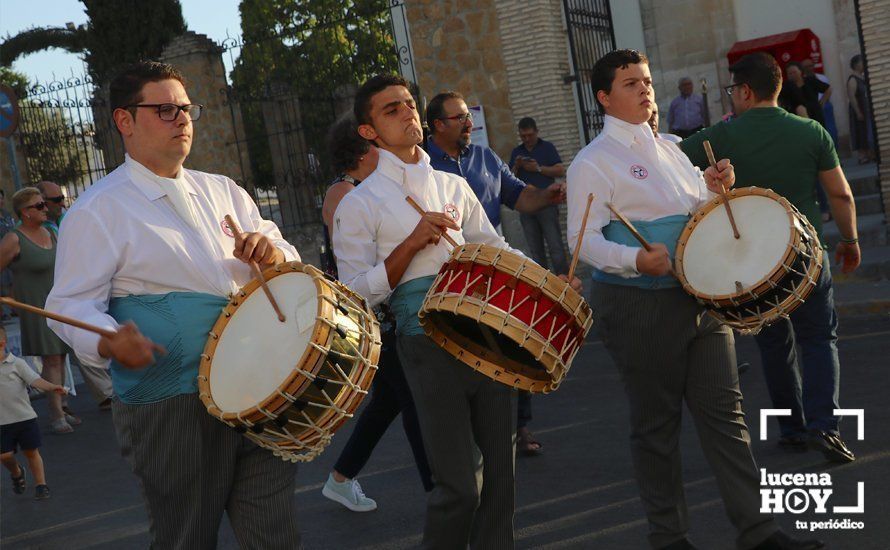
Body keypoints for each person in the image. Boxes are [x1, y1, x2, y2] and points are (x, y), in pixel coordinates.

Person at [567, 49, 823, 550]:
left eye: (646, 80)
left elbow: (693, 215)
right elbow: (584, 242)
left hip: (700, 300)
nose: (644, 89)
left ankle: (758, 531)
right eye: (629, 83)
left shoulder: (672, 146)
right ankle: (668, 538)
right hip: (638, 305)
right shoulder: (591, 162)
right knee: (656, 426)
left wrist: (711, 189)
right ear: (604, 97)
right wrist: (634, 260)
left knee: (727, 417)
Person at [45, 61, 302, 549]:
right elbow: (71, 302)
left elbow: (284, 252)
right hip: (172, 402)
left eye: (186, 108)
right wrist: (107, 338)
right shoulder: (97, 209)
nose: (182, 119)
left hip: (259, 387)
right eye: (165, 109)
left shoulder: (225, 190)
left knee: (276, 535)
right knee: (186, 537)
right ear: (125, 121)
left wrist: (272, 254)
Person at [333, 74, 580, 549]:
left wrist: (550, 284)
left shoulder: (453, 184)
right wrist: (410, 244)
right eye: (391, 110)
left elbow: (496, 248)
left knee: (502, 483)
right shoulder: (359, 203)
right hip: (425, 343)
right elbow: (354, 293)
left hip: (487, 330)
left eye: (408, 104)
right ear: (368, 132)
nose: (407, 113)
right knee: (461, 487)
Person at [681, 52, 860, 465]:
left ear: (745, 91)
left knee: (775, 344)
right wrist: (849, 240)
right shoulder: (811, 131)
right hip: (807, 255)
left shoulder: (721, 136)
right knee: (818, 339)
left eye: (732, 90)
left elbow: (670, 160)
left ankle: (793, 430)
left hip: (754, 267)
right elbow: (841, 194)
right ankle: (824, 427)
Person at [426, 91, 566, 456]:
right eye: (459, 118)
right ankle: (474, 438)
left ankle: (519, 427)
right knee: (467, 354)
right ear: (438, 125)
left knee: (512, 344)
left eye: (468, 116)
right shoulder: (422, 165)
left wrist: (549, 195)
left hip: (494, 267)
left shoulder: (486, 157)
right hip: (449, 277)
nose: (468, 123)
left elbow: (521, 197)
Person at [319, 114, 433, 512]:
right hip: (372, 317)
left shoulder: (363, 190)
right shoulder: (345, 194)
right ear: (365, 150)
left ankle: (341, 477)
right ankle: (437, 489)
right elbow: (355, 259)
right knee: (413, 400)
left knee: (389, 400)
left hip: (382, 315)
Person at [0, 188, 75, 435]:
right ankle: (56, 415)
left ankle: (62, 406)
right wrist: (7, 299)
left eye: (44, 204)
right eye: (39, 205)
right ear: (25, 212)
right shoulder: (14, 239)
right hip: (35, 307)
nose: (45, 208)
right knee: (51, 358)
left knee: (61, 356)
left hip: (58, 303)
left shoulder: (51, 232)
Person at [37, 180, 115, 411]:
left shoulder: (63, 223)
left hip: (75, 294)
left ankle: (104, 395)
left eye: (61, 198)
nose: (61, 204)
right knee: (54, 358)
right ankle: (59, 409)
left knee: (82, 345)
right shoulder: (20, 235)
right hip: (43, 297)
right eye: (54, 201)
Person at [1, 325, 68, 500]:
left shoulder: (17, 364)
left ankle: (41, 484)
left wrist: (53, 386)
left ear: (3, 342)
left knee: (31, 451)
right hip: (2, 423)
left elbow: (35, 380)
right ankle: (16, 472)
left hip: (24, 418)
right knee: (5, 456)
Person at [508, 117, 569, 276]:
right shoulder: (517, 151)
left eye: (530, 135)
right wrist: (517, 166)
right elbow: (509, 179)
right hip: (526, 207)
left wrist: (538, 169)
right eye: (523, 136)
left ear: (536, 132)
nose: (527, 139)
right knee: (535, 251)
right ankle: (543, 286)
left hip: (547, 204)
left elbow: (560, 170)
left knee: (555, 246)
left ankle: (565, 283)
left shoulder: (547, 147)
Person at [801, 59, 838, 145]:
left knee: (831, 127)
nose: (809, 68)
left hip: (824, 105)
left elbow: (828, 89)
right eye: (806, 67)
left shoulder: (822, 77)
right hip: (812, 108)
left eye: (810, 66)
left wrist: (823, 102)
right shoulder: (802, 81)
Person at [783, 62, 829, 127]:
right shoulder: (786, 87)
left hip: (816, 115)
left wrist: (822, 101)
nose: (793, 75)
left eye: (794, 72)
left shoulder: (810, 81)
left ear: (800, 71)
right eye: (790, 73)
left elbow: (828, 89)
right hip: (798, 120)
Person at [847, 54, 874, 164]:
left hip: (865, 108)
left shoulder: (862, 77)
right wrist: (858, 112)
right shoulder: (852, 79)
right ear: (856, 64)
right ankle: (862, 156)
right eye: (862, 62)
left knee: (866, 130)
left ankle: (869, 154)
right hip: (858, 109)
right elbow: (851, 96)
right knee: (859, 131)